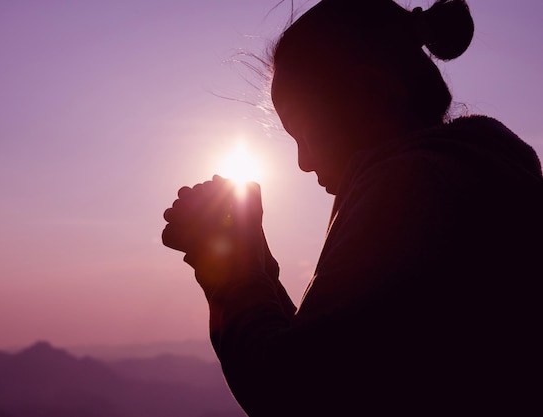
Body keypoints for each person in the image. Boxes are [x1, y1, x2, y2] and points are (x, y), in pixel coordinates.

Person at [162, 0, 543, 415]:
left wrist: (229, 267)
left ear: (371, 91)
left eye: (305, 132)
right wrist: (250, 256)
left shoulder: (409, 188)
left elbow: (294, 392)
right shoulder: (477, 176)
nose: (303, 162)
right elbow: (339, 361)